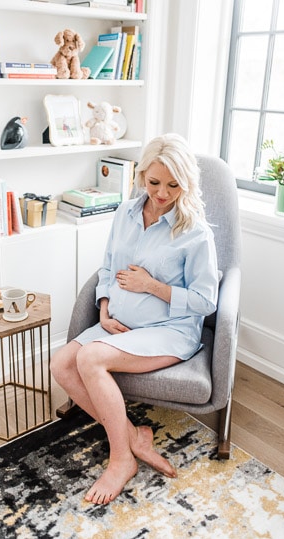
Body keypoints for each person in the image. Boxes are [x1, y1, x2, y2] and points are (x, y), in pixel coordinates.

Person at [51, 133, 219, 505]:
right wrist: (105, 305)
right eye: (154, 182)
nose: (161, 193)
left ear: (186, 183)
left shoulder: (196, 233)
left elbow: (207, 301)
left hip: (168, 331)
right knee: (61, 365)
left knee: (89, 358)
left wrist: (152, 286)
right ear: (141, 175)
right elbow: (109, 265)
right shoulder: (125, 213)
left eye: (174, 185)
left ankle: (121, 459)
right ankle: (133, 436)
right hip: (119, 324)